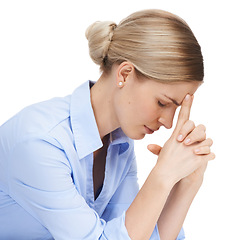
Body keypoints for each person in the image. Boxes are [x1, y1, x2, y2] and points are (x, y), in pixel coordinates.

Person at [0, 9, 215, 240]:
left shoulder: (119, 144)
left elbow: (137, 234)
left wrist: (187, 184)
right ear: (124, 73)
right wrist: (162, 175)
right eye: (163, 102)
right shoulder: (40, 142)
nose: (169, 122)